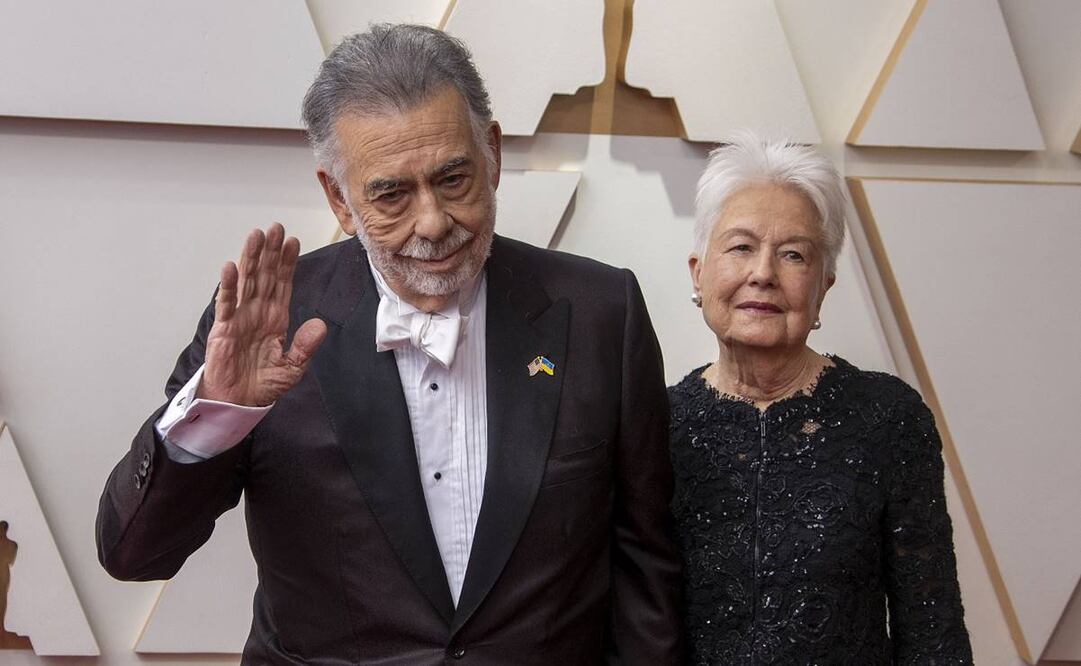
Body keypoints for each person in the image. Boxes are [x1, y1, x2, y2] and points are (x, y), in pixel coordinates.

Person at [96, 24, 682, 664]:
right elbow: (134, 554)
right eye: (391, 194)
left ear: (491, 154)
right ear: (339, 198)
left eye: (453, 179)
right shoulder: (269, 321)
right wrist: (218, 409)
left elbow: (645, 565)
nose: (432, 223)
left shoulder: (604, 311)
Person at [668, 132, 973, 664]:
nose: (763, 274)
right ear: (699, 272)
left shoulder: (886, 417)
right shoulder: (654, 422)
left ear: (823, 286)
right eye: (741, 247)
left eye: (793, 255)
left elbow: (932, 629)